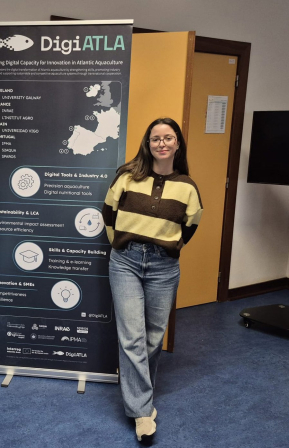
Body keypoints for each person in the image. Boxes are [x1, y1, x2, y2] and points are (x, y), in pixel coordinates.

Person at [102, 117, 202, 441]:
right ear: (148, 143)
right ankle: (142, 413)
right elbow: (108, 212)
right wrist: (120, 244)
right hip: (126, 264)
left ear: (177, 143)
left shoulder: (187, 186)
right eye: (155, 138)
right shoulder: (127, 177)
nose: (161, 143)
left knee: (153, 338)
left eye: (168, 138)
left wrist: (170, 246)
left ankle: (136, 388)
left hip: (164, 267)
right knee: (132, 337)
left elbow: (191, 224)